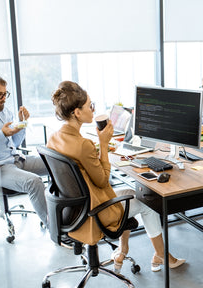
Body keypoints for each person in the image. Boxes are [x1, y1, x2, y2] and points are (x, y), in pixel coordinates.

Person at [47, 80, 185, 272]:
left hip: (72, 209)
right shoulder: (83, 145)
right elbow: (103, 181)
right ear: (77, 112)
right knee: (148, 202)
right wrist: (103, 145)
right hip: (93, 214)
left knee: (130, 192)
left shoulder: (54, 138)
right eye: (90, 106)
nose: (93, 110)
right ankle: (161, 255)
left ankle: (123, 250)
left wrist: (96, 153)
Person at [0, 75, 48, 225]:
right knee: (34, 182)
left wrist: (22, 123)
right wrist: (2, 134)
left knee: (57, 163)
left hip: (14, 159)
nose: (3, 98)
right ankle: (54, 227)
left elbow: (15, 142)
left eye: (5, 94)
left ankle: (64, 213)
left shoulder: (5, 111)